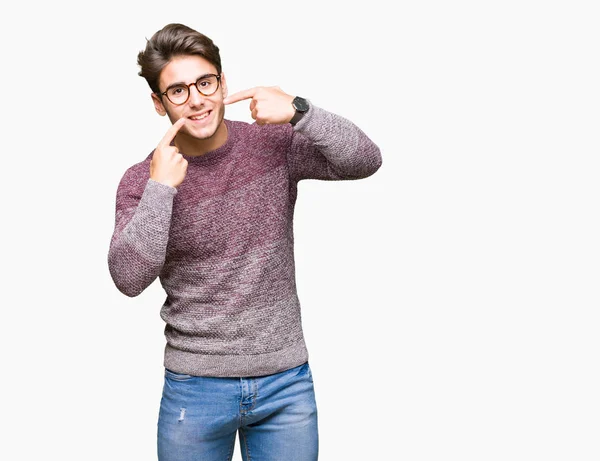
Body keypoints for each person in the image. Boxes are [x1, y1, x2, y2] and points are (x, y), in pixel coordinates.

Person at [107, 23, 382, 461]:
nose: (196, 99)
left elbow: (365, 160)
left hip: (285, 384)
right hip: (195, 391)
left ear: (222, 83)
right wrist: (161, 190)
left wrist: (299, 110)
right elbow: (127, 278)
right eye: (177, 91)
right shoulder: (143, 181)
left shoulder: (273, 144)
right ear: (159, 104)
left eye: (205, 82)